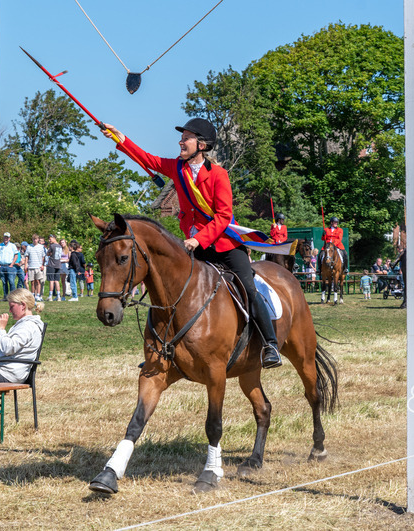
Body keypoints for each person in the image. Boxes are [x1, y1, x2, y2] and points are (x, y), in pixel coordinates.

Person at [101, 117, 283, 368]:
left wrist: (198, 239)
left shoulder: (219, 175)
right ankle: (160, 349)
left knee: (249, 290)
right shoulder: (178, 168)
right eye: (182, 136)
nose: (181, 141)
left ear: (202, 145)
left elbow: (223, 217)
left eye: (186, 137)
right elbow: (147, 159)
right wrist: (119, 137)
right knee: (170, 290)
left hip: (224, 244)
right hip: (192, 244)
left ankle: (269, 345)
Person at [0, 232, 18, 301]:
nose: (6, 239)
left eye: (7, 237)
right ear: (3, 237)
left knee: (11, 282)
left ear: (9, 238)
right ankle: (5, 297)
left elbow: (16, 255)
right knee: (4, 282)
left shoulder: (12, 246)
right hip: (1, 266)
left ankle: (13, 297)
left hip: (9, 266)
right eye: (5, 237)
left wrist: (12, 264)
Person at [24, 235, 46, 301]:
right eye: (33, 239)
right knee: (32, 282)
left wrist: (42, 265)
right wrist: (26, 264)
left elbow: (43, 256)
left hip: (38, 266)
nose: (35, 240)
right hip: (31, 266)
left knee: (38, 281)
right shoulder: (29, 247)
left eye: (36, 239)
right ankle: (33, 294)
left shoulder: (41, 247)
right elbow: (26, 256)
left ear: (38, 239)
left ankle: (38, 295)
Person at [45, 235, 62, 301]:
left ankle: (50, 296)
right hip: (58, 265)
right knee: (57, 281)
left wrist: (50, 253)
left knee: (51, 280)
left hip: (52, 264)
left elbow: (47, 254)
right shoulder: (60, 246)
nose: (49, 240)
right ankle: (58, 296)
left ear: (54, 238)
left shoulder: (52, 246)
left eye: (50, 239)